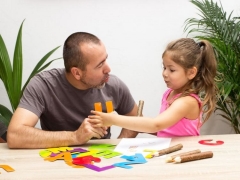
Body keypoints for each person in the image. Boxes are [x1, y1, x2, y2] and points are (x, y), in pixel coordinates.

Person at [7, 32, 139, 148]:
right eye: (100, 65)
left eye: (105, 60)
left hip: (101, 164)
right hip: (57, 161)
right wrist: (75, 137)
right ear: (77, 73)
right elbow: (15, 135)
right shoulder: (43, 85)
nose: (108, 69)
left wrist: (119, 146)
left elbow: (136, 120)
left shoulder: (113, 85)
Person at [88, 38, 217, 137]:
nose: (165, 73)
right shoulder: (169, 94)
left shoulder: (187, 101)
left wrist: (113, 119)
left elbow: (156, 124)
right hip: (171, 152)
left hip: (185, 155)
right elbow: (163, 129)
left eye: (172, 70)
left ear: (191, 72)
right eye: (164, 67)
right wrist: (139, 124)